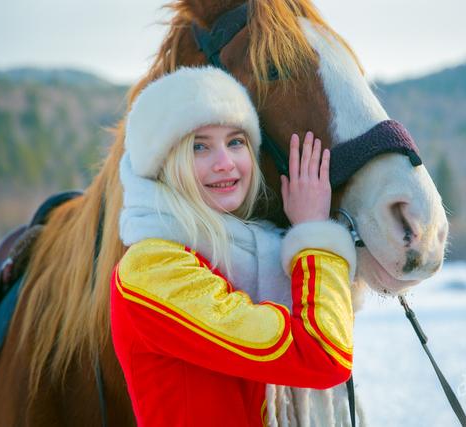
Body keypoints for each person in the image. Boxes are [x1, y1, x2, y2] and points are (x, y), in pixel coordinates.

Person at [111, 66, 356, 427]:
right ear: (166, 164)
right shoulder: (153, 271)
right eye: (199, 147)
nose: (225, 164)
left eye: (236, 142)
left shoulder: (237, 256)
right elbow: (323, 355)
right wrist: (314, 235)